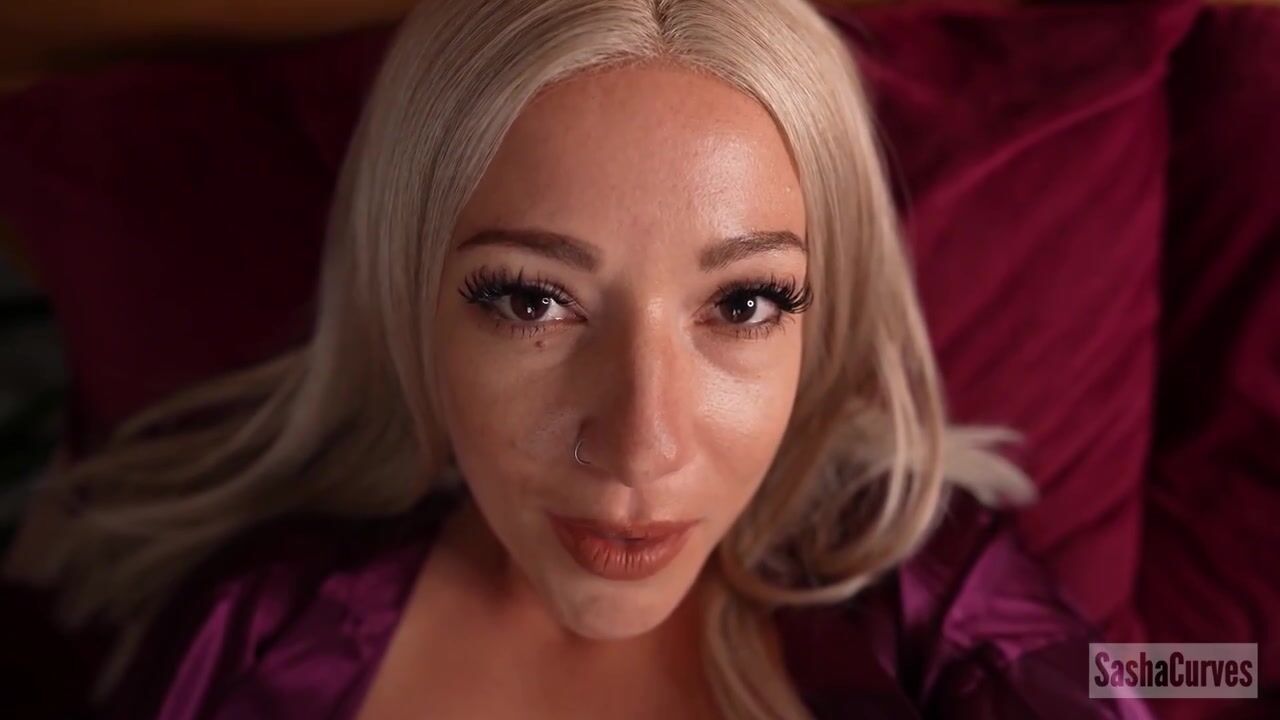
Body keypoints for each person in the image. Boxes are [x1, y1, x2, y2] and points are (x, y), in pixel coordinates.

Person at [10, 1, 1139, 718]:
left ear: (818, 314)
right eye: (531, 300)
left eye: (743, 302)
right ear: (413, 301)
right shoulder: (255, 638)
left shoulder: (942, 617)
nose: (642, 444)